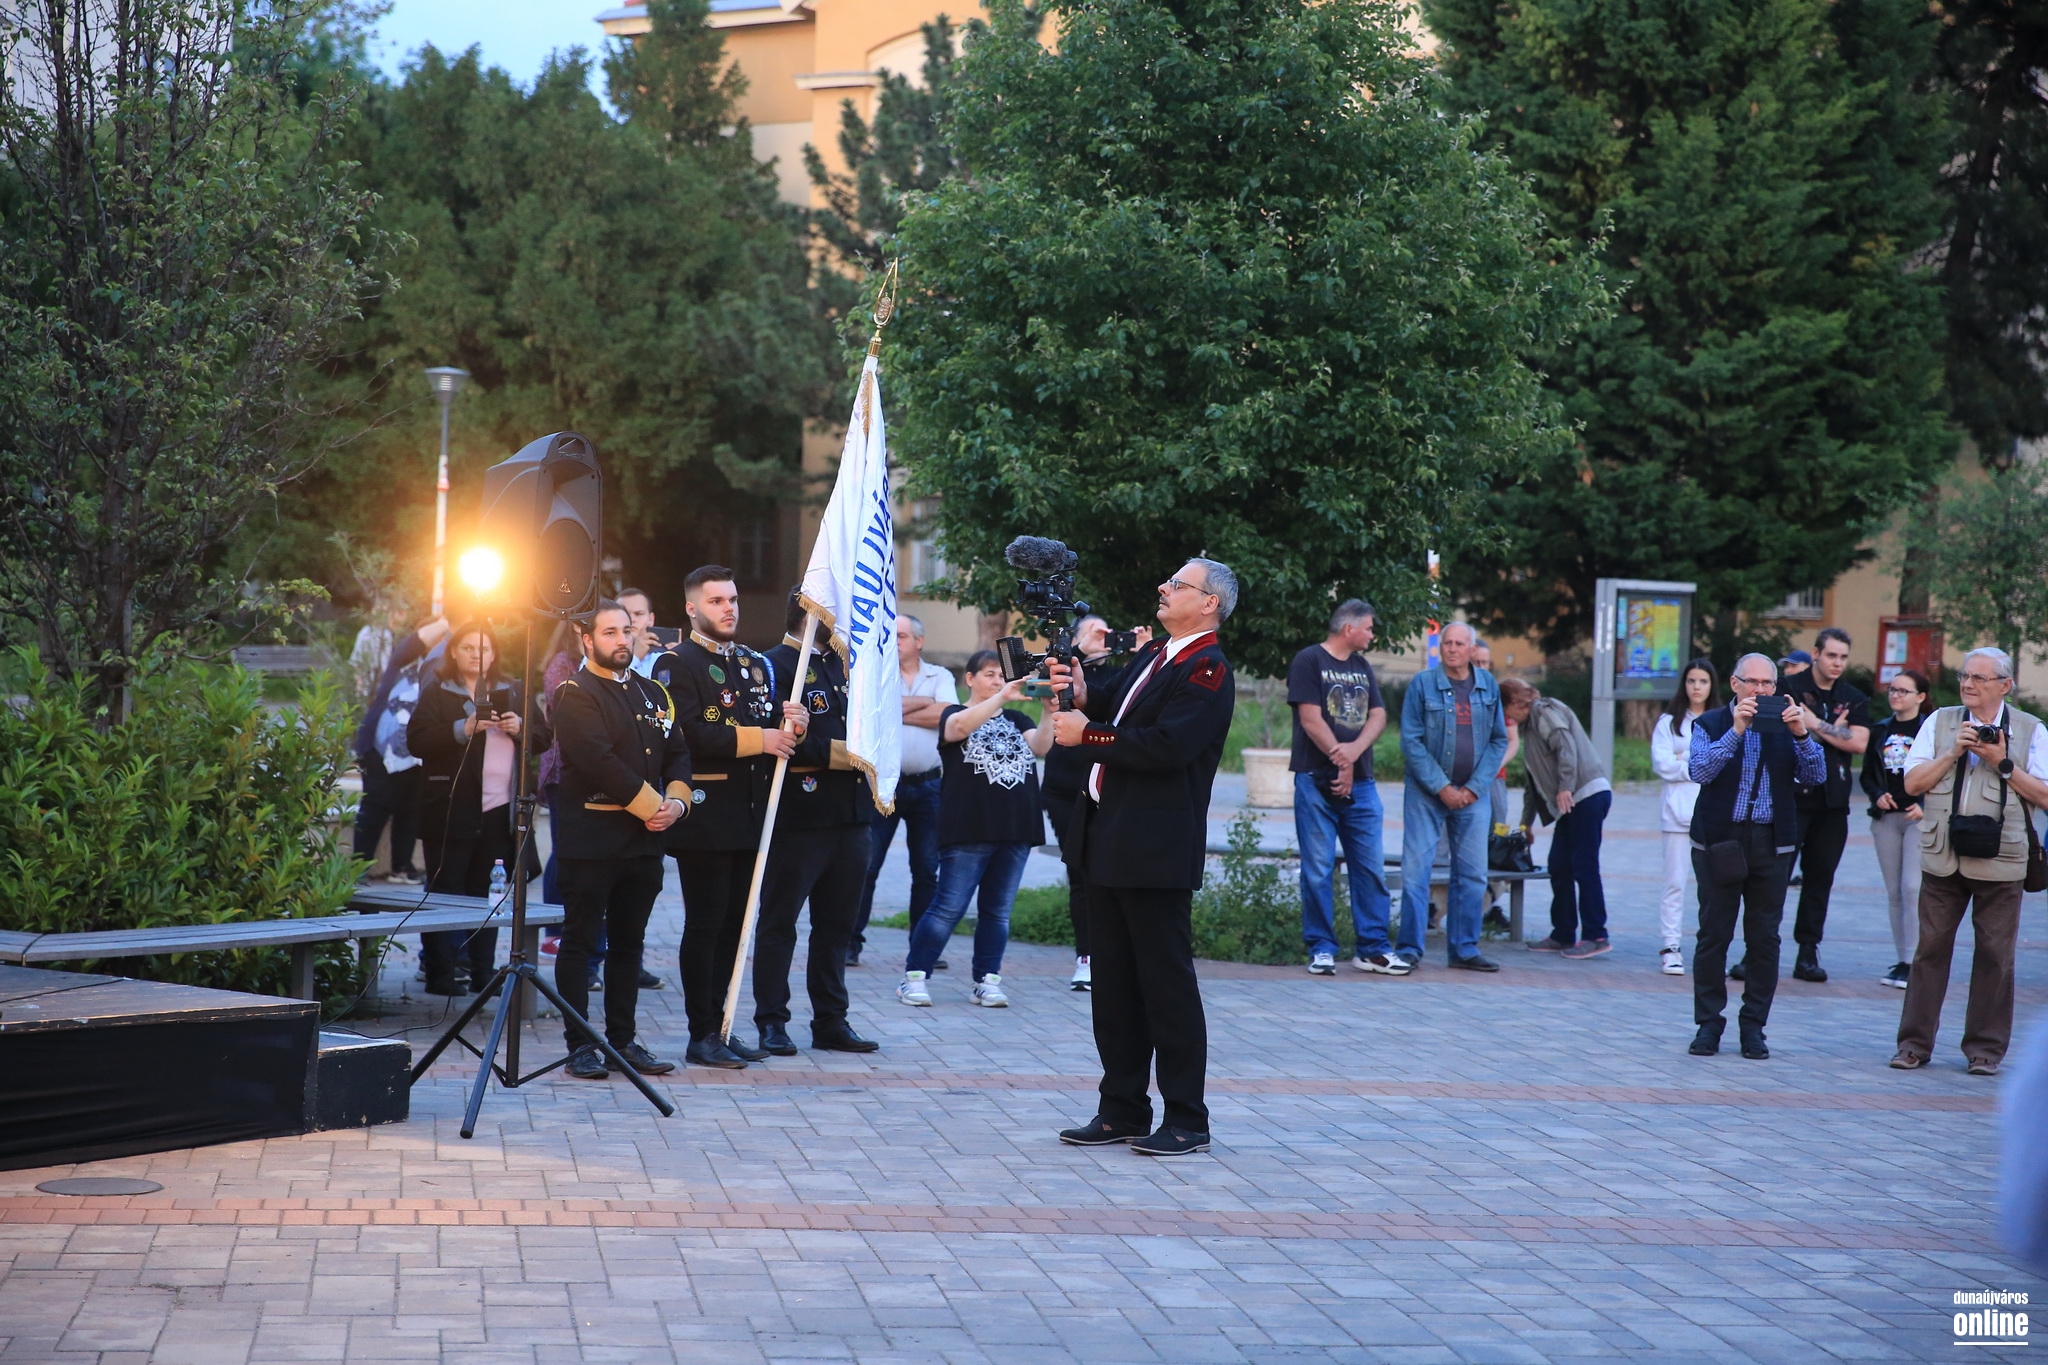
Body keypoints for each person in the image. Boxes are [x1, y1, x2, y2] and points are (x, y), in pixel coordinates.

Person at [1045, 557, 1238, 1157]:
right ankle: (1121, 1109)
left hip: (1155, 846)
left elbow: (1168, 745)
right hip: (1108, 836)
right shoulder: (1157, 653)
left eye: (1178, 584)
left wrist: (1089, 734)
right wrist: (1082, 694)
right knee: (1114, 986)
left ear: (1209, 602)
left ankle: (1187, 1118)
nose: (1163, 587)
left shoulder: (1207, 666)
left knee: (1165, 986)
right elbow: (1115, 707)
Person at [650, 566, 809, 1069]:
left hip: (751, 813)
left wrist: (794, 725)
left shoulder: (752, 662)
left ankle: (721, 1025)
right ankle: (701, 1033)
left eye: (733, 599)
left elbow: (770, 725)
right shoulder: (675, 663)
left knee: (736, 928)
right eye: (716, 601)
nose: (729, 609)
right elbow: (686, 734)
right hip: (706, 816)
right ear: (692, 608)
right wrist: (761, 739)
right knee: (707, 925)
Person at [548, 600, 692, 1080]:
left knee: (630, 944)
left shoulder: (652, 691)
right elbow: (599, 762)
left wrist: (677, 803)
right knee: (580, 941)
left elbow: (678, 752)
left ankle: (623, 1041)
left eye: (626, 630)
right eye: (609, 632)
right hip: (592, 841)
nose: (621, 640)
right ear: (587, 639)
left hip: (643, 842)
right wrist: (654, 808)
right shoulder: (574, 693)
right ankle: (579, 1046)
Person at [1892, 647, 2048, 1075]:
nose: (1968, 684)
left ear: (2005, 685)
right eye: (1964, 676)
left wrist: (2002, 762)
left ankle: (1984, 1051)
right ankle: (1913, 1045)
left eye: (1980, 677)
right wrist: (1951, 753)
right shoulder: (1940, 721)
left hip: (2003, 859)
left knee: (1996, 956)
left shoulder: (2031, 730)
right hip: (1943, 856)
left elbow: (2045, 795)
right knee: (1929, 951)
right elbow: (1911, 783)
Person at [753, 589, 881, 1057]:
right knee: (780, 923)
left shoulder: (845, 665)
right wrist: (854, 755)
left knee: (836, 927)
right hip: (799, 816)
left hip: (851, 815)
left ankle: (831, 1019)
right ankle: (772, 1020)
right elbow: (780, 741)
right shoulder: (772, 666)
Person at [1685, 653, 1825, 1060]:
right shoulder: (1710, 723)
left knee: (1764, 939)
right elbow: (1699, 771)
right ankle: (1708, 1025)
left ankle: (1754, 1028)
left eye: (1768, 684)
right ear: (1735, 684)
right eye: (1753, 683)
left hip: (1772, 842)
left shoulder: (1786, 724)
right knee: (1713, 935)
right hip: (1720, 842)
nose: (1761, 691)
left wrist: (1801, 734)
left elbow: (1815, 777)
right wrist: (1737, 730)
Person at [898, 651, 1054, 1008]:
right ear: (969, 679)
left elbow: (1041, 746)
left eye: (1001, 675)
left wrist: (1048, 710)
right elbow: (958, 729)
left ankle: (987, 980)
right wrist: (1002, 696)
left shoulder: (1016, 718)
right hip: (969, 828)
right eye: (989, 674)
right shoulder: (953, 714)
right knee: (947, 908)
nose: (998, 681)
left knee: (998, 912)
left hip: (1016, 827)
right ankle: (914, 977)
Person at [406, 621, 548, 996]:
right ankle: (440, 973)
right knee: (445, 891)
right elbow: (416, 740)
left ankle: (483, 973)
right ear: (454, 652)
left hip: (500, 812)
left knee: (489, 894)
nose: (476, 655)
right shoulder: (438, 690)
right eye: (468, 648)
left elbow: (544, 737)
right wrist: (464, 728)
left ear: (494, 654)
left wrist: (521, 727)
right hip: (450, 809)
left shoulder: (512, 690)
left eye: (484, 649)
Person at [1286, 599, 1399, 976]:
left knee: (1369, 868)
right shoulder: (1309, 660)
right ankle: (1321, 948)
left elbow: (1378, 715)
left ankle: (1373, 949)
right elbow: (1310, 718)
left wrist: (1353, 753)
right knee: (1318, 868)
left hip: (1362, 784)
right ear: (1349, 629)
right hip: (1314, 780)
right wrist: (1342, 759)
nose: (1372, 635)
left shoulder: (1361, 665)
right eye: (1368, 628)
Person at [1039, 615, 1147, 990]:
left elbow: (1131, 707)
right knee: (1080, 872)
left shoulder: (1122, 675)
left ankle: (1115, 954)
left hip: (1106, 787)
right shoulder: (1069, 665)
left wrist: (1142, 654)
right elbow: (1046, 686)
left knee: (1108, 871)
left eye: (1106, 632)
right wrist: (1081, 650)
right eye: (1093, 631)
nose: (1103, 638)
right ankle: (1085, 957)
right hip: (1064, 788)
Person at [1396, 622, 1509, 972]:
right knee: (1416, 873)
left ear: (1472, 650)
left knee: (1473, 875)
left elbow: (1499, 740)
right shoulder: (1422, 684)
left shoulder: (1487, 685)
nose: (1453, 649)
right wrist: (1441, 787)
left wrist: (1474, 787)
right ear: (1440, 647)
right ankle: (1409, 949)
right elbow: (1410, 741)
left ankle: (1464, 950)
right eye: (1447, 643)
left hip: (1474, 795)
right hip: (1426, 794)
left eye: (1460, 644)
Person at [849, 614, 958, 968]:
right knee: (867, 867)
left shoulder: (940, 676)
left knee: (926, 869)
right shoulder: (876, 674)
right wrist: (923, 704)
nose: (894, 641)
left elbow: (947, 714)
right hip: (883, 786)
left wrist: (890, 712)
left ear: (919, 642)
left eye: (901, 636)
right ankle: (850, 944)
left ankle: (922, 947)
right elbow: (870, 713)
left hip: (929, 785)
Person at [1773, 627, 1869, 983]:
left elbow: (1859, 743)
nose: (1837, 663)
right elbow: (1778, 731)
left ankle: (1807, 952)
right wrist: (1834, 731)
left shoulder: (1853, 697)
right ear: (1815, 654)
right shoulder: (1789, 689)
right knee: (1774, 877)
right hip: (1791, 798)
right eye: (1831, 655)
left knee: (1820, 879)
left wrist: (1814, 724)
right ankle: (1758, 951)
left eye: (1843, 657)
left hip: (1833, 803)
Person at [1503, 679, 1613, 958]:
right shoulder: (1529, 729)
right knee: (1559, 864)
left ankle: (1597, 935)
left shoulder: (1543, 711)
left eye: (1505, 710)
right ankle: (1563, 934)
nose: (1506, 718)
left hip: (1586, 794)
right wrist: (1526, 823)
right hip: (1572, 802)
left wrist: (1565, 786)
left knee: (1584, 865)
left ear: (1516, 702)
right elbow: (1533, 784)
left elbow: (1566, 745)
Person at [350, 615, 449, 886]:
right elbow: (413, 643)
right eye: (436, 637)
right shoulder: (402, 663)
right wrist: (449, 619)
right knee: (375, 806)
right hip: (379, 749)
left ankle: (402, 867)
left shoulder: (442, 674)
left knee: (410, 810)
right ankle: (358, 868)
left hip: (416, 753)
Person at [1861, 668, 1930, 989]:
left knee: (1912, 887)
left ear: (1920, 697)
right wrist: (1877, 794)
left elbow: (1943, 772)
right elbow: (1867, 774)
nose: (1895, 695)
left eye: (1903, 691)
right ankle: (1902, 960)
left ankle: (1916, 962)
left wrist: (1926, 804)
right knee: (1894, 892)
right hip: (1887, 818)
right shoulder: (1880, 730)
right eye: (1892, 690)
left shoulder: (1929, 730)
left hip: (1917, 818)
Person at [1648, 660, 1716, 975]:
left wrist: (1683, 756)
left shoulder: (1721, 720)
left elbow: (1723, 762)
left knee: (1713, 888)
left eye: (1703, 681)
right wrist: (1699, 760)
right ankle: (1671, 947)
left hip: (1712, 815)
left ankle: (1710, 950)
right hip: (1676, 815)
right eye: (1691, 681)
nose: (1697, 687)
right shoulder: (1668, 722)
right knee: (1675, 883)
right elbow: (1662, 764)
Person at [618, 586, 661, 679]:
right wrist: (635, 658)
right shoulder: (599, 654)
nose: (631, 619)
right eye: (625, 613)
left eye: (638, 614)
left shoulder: (662, 657)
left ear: (651, 619)